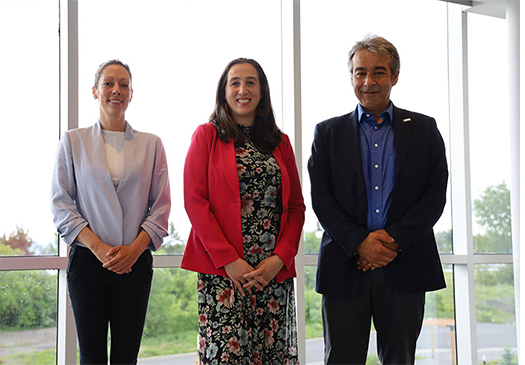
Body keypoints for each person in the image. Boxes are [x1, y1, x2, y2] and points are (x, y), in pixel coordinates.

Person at [308, 35, 449, 364]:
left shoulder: (425, 129)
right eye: (360, 73)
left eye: (379, 72)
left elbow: (434, 195)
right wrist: (361, 243)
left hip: (406, 265)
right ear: (352, 77)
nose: (368, 81)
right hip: (345, 266)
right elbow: (322, 199)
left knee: (400, 359)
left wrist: (390, 243)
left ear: (395, 77)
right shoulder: (327, 133)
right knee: (341, 358)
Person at [181, 58, 305, 364]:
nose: (242, 89)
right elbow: (195, 202)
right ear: (224, 91)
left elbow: (296, 207)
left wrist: (279, 259)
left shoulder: (281, 143)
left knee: (271, 356)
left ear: (262, 91)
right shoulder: (206, 136)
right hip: (224, 274)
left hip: (271, 275)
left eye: (251, 82)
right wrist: (229, 261)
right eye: (234, 82)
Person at [51, 59, 171, 364]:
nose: (116, 90)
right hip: (88, 264)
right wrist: (99, 248)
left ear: (132, 93)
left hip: (135, 264)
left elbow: (160, 206)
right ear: (95, 90)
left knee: (125, 358)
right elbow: (61, 202)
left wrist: (133, 251)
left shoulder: (151, 144)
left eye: (124, 84)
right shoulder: (73, 141)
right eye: (108, 83)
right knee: (91, 357)